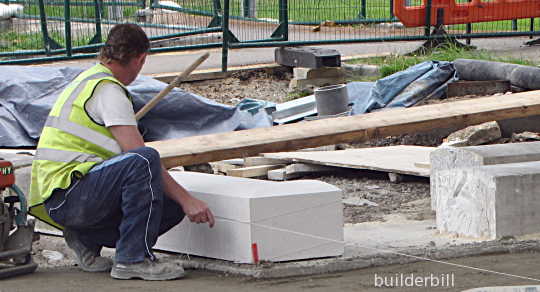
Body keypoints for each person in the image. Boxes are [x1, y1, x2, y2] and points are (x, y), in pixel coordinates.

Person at [28, 23, 215, 281]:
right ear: (140, 59)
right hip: (71, 194)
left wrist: (179, 200)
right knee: (146, 160)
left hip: (64, 196)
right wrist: (188, 198)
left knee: (168, 205)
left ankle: (85, 237)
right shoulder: (108, 89)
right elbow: (138, 155)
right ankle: (133, 258)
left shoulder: (88, 79)